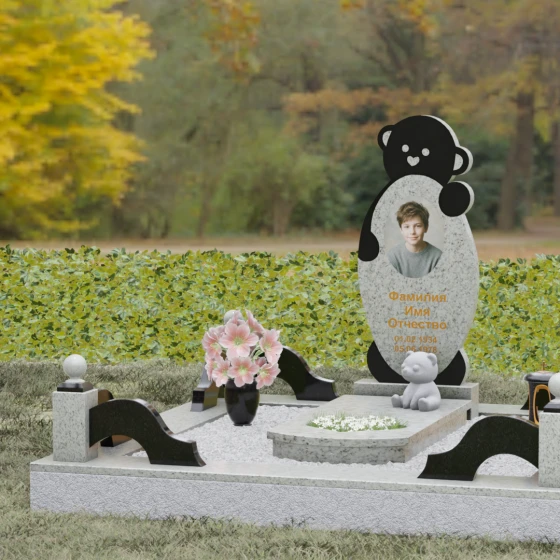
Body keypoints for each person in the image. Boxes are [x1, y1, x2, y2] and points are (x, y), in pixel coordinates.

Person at [387, 202, 442, 278]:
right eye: (407, 227)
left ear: (426, 228)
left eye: (418, 226)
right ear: (401, 230)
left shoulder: (437, 257)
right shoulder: (393, 256)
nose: (412, 232)